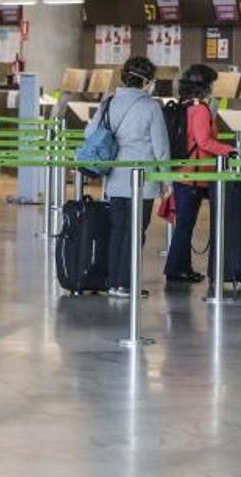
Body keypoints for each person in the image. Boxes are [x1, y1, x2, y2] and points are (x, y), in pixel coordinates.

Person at [84, 55, 169, 298]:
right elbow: (161, 147)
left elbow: (90, 132)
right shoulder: (151, 106)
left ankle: (112, 281)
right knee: (136, 232)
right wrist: (167, 181)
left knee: (118, 230)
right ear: (146, 82)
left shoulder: (109, 102)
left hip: (115, 177)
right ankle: (125, 283)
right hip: (142, 179)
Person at [164, 63, 233, 284]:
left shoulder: (183, 105)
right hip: (196, 174)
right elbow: (204, 142)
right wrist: (229, 150)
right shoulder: (201, 109)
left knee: (184, 224)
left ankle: (180, 268)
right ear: (204, 86)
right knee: (185, 225)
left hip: (183, 172)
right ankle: (176, 270)